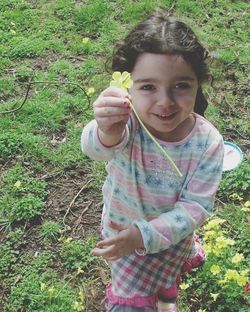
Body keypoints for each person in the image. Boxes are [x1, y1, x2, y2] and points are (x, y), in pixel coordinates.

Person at [81, 9, 224, 312]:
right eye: (148, 87)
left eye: (181, 85)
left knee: (165, 278)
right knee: (130, 303)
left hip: (172, 240)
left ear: (198, 83)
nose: (165, 101)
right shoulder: (127, 123)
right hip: (122, 232)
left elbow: (195, 208)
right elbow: (96, 151)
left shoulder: (207, 143)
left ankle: (166, 293)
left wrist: (144, 235)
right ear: (127, 88)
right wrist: (106, 130)